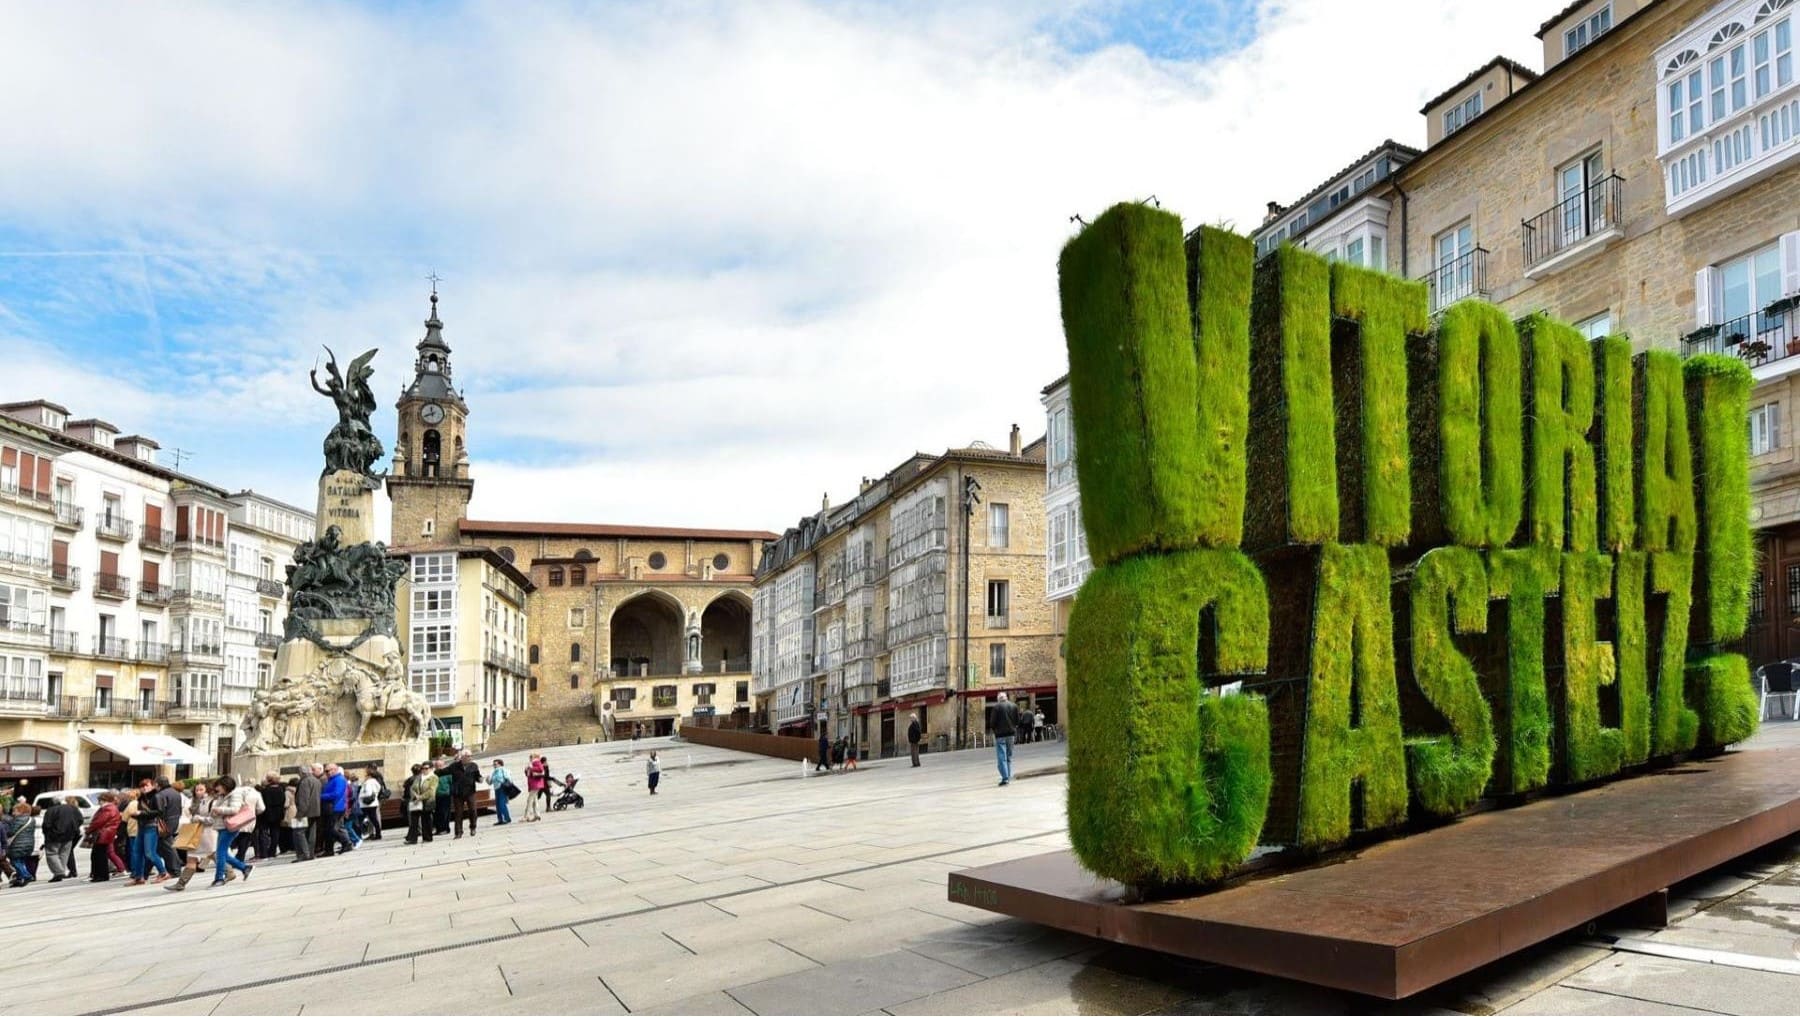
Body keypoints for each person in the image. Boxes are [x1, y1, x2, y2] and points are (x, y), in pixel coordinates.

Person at [208, 775, 255, 886]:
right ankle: (245, 868)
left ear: (225, 786)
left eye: (218, 786)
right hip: (221, 827)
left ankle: (219, 877)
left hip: (229, 827)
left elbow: (234, 809)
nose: (216, 789)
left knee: (220, 853)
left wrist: (218, 810)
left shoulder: (235, 794)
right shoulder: (222, 796)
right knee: (223, 853)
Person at [437, 751, 480, 838]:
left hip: (470, 792)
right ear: (462, 757)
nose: (470, 758)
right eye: (468, 756)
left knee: (473, 810)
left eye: (470, 756)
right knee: (458, 813)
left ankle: (473, 827)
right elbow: (443, 772)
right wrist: (432, 772)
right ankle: (458, 832)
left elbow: (477, 776)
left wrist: (480, 779)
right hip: (457, 793)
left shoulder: (473, 766)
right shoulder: (454, 766)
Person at [40, 795, 82, 883]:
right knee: (64, 854)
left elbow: (46, 824)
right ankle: (60, 872)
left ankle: (59, 872)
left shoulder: (51, 810)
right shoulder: (72, 808)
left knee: (52, 854)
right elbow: (80, 819)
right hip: (69, 835)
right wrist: (75, 828)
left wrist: (47, 833)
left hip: (54, 836)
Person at [318, 764, 353, 857]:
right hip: (330, 807)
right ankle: (329, 850)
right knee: (328, 829)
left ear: (335, 770)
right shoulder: (331, 780)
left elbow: (336, 794)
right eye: (326, 771)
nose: (327, 773)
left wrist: (321, 796)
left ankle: (346, 842)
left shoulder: (339, 779)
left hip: (336, 807)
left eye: (329, 770)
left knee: (332, 829)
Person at [153, 777, 185, 877]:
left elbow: (160, 811)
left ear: (158, 784)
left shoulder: (161, 795)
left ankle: (174, 869)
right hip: (174, 820)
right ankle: (174, 868)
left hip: (165, 821)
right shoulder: (175, 793)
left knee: (166, 845)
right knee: (167, 844)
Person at [89, 792, 124, 882]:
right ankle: (99, 875)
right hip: (106, 833)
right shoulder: (109, 808)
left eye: (100, 800)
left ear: (104, 800)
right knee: (100, 854)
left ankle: (100, 875)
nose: (99, 802)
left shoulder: (107, 809)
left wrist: (89, 829)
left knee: (98, 855)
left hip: (103, 834)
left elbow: (99, 821)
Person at [990, 691, 1020, 786]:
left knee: (1002, 757)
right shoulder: (1014, 706)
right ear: (1006, 697)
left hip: (1000, 735)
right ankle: (1008, 776)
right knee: (1008, 756)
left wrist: (995, 730)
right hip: (1011, 734)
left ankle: (1005, 778)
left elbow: (992, 722)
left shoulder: (996, 707)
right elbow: (1017, 721)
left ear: (998, 699)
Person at [6, 801, 37, 886]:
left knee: (15, 861)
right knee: (21, 861)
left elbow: (11, 832)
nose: (13, 813)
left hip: (18, 845)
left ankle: (26, 875)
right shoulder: (32, 819)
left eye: (14, 811)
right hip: (29, 844)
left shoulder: (18, 820)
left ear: (21, 811)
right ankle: (19, 879)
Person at [293, 765, 320, 862]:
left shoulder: (304, 782)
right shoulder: (316, 780)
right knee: (311, 832)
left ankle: (304, 854)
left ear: (301, 773)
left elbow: (303, 799)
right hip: (315, 811)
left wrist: (299, 814)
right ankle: (310, 853)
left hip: (305, 812)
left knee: (298, 832)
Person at [256, 774, 286, 860]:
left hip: (267, 814)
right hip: (278, 813)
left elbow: (264, 803)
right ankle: (272, 851)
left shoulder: (265, 791)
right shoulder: (281, 789)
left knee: (264, 833)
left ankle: (264, 852)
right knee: (275, 832)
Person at [406, 763, 437, 844]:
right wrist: (415, 796)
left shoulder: (434, 778)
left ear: (430, 769)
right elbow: (412, 787)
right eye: (422, 768)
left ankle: (427, 838)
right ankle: (412, 839)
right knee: (414, 820)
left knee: (426, 820)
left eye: (426, 768)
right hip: (416, 801)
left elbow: (431, 791)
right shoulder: (419, 777)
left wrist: (420, 797)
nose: (424, 770)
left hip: (427, 801)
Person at [360, 768, 385, 840]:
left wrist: (361, 795)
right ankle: (378, 834)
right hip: (373, 803)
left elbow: (367, 792)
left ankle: (360, 835)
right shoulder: (376, 782)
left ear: (369, 775)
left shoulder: (368, 782)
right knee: (374, 819)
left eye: (366, 774)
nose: (365, 776)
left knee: (361, 819)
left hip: (366, 804)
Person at [524, 754, 548, 823]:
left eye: (531, 757)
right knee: (535, 800)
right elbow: (528, 774)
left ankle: (526, 816)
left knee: (529, 800)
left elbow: (540, 769)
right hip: (533, 784)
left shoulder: (536, 762)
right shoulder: (532, 764)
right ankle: (537, 815)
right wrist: (526, 769)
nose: (530, 759)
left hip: (536, 784)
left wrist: (531, 768)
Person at [488, 759, 513, 825]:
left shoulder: (503, 770)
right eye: (494, 764)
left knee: (502, 804)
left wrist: (507, 784)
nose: (494, 766)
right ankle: (500, 819)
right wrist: (488, 779)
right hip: (496, 789)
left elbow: (508, 778)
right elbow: (490, 782)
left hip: (502, 787)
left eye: (495, 764)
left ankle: (506, 818)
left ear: (500, 764)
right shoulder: (494, 772)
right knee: (498, 805)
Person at [433, 757, 453, 835]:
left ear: (443, 765)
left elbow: (452, 784)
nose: (438, 767)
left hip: (445, 795)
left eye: (440, 766)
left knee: (444, 813)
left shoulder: (447, 774)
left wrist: (450, 793)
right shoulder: (434, 774)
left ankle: (445, 829)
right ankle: (438, 829)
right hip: (436, 796)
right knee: (437, 813)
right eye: (437, 766)